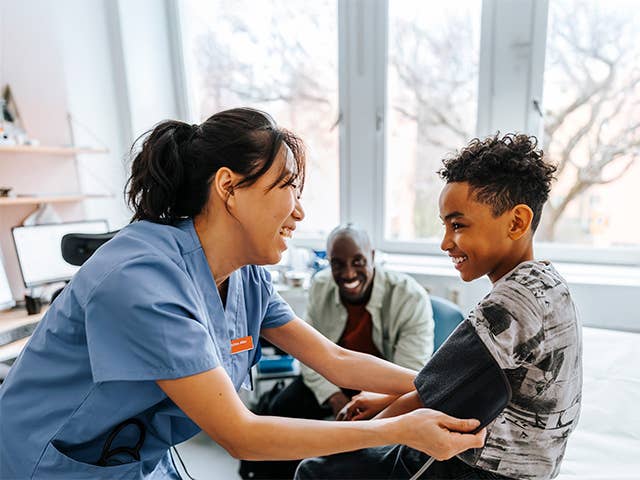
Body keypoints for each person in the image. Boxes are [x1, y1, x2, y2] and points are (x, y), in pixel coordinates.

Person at [0, 108, 485, 479]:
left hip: (126, 458)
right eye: (287, 186)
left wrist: (437, 385)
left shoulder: (246, 275)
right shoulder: (139, 279)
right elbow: (240, 434)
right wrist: (397, 429)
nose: (298, 211)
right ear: (229, 187)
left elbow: (333, 359)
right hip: (44, 459)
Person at [295, 133, 583, 480]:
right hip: (536, 467)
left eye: (458, 225)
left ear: (516, 222)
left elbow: (424, 400)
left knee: (314, 471)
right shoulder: (549, 285)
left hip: (476, 472)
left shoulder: (509, 305)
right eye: (445, 225)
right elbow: (450, 382)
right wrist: (388, 399)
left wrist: (343, 441)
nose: (446, 242)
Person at [240, 224, 434, 478]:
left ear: (373, 257)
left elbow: (410, 373)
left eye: (358, 261)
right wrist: (333, 396)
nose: (348, 273)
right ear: (328, 262)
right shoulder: (321, 286)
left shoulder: (410, 297)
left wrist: (373, 401)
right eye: (338, 264)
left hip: (383, 386)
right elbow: (312, 358)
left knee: (364, 444)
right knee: (282, 407)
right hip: (331, 378)